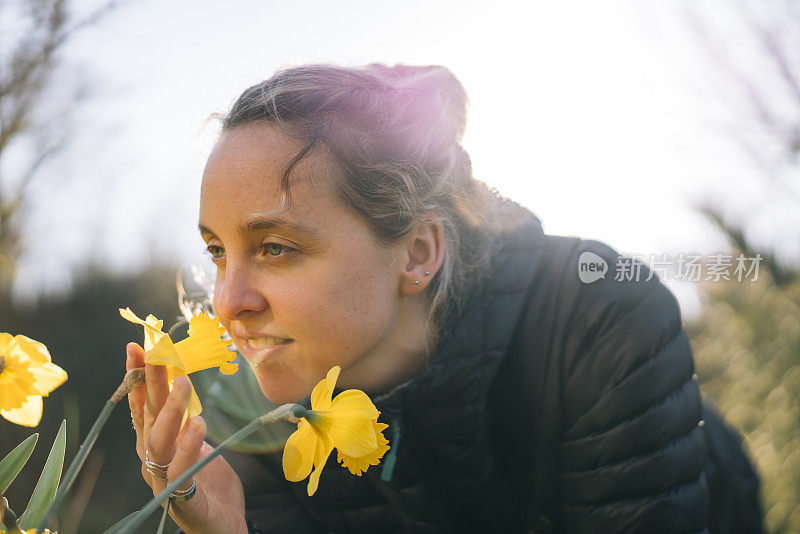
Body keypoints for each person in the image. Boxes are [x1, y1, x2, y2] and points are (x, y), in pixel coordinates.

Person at [125, 63, 763, 533]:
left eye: (277, 247)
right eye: (217, 252)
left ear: (418, 253)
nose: (228, 301)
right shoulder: (246, 411)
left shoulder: (595, 322)